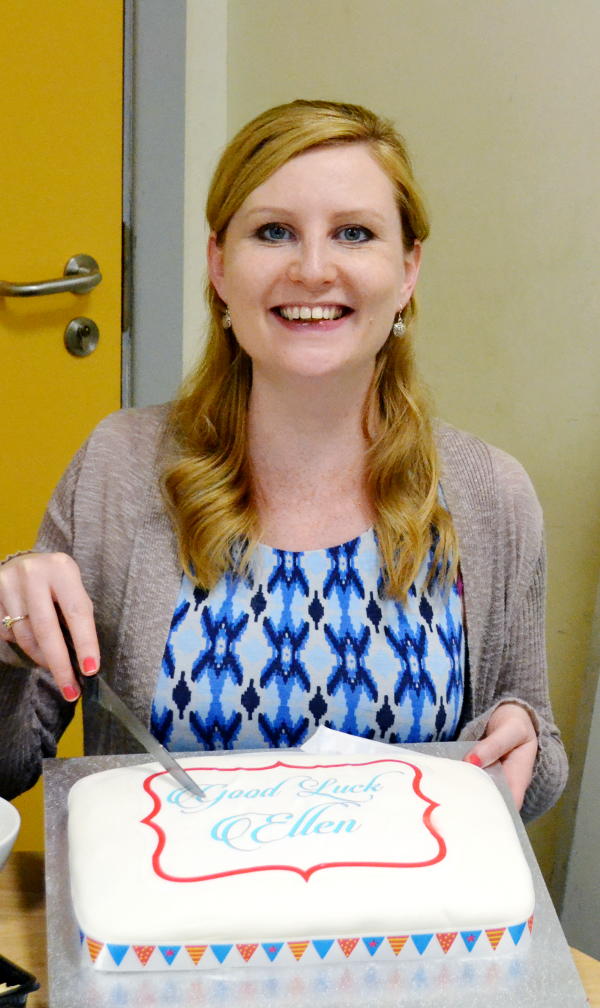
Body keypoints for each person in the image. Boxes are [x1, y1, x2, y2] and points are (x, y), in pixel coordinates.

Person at [0, 99, 567, 819]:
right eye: (274, 232)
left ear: (408, 269)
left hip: (406, 928)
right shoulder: (117, 467)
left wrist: (523, 748)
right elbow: (10, 766)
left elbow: (535, 756)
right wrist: (5, 643)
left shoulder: (492, 495)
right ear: (218, 264)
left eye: (354, 234)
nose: (312, 269)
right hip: (167, 924)